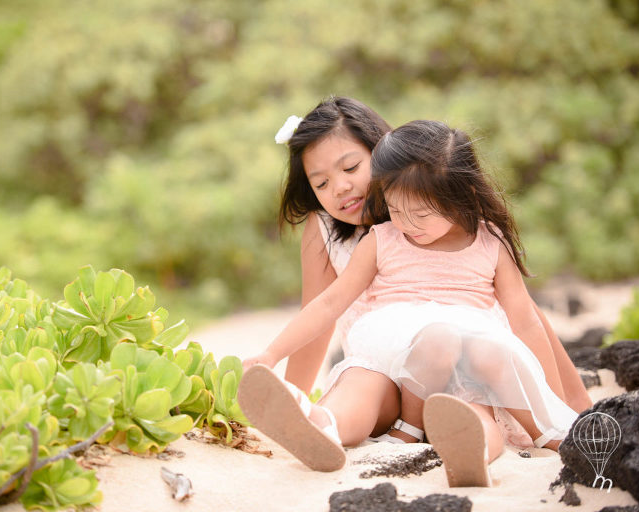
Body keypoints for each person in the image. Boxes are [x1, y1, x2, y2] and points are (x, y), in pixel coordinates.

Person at [238, 119, 579, 485]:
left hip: (461, 366)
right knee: (359, 384)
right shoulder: (382, 238)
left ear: (459, 197)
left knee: (474, 410)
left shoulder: (488, 242)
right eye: (395, 209)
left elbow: (526, 320)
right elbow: (327, 304)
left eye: (419, 214)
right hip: (388, 360)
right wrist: (271, 355)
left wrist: (553, 405)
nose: (407, 223)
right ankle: (321, 425)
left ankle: (472, 454)